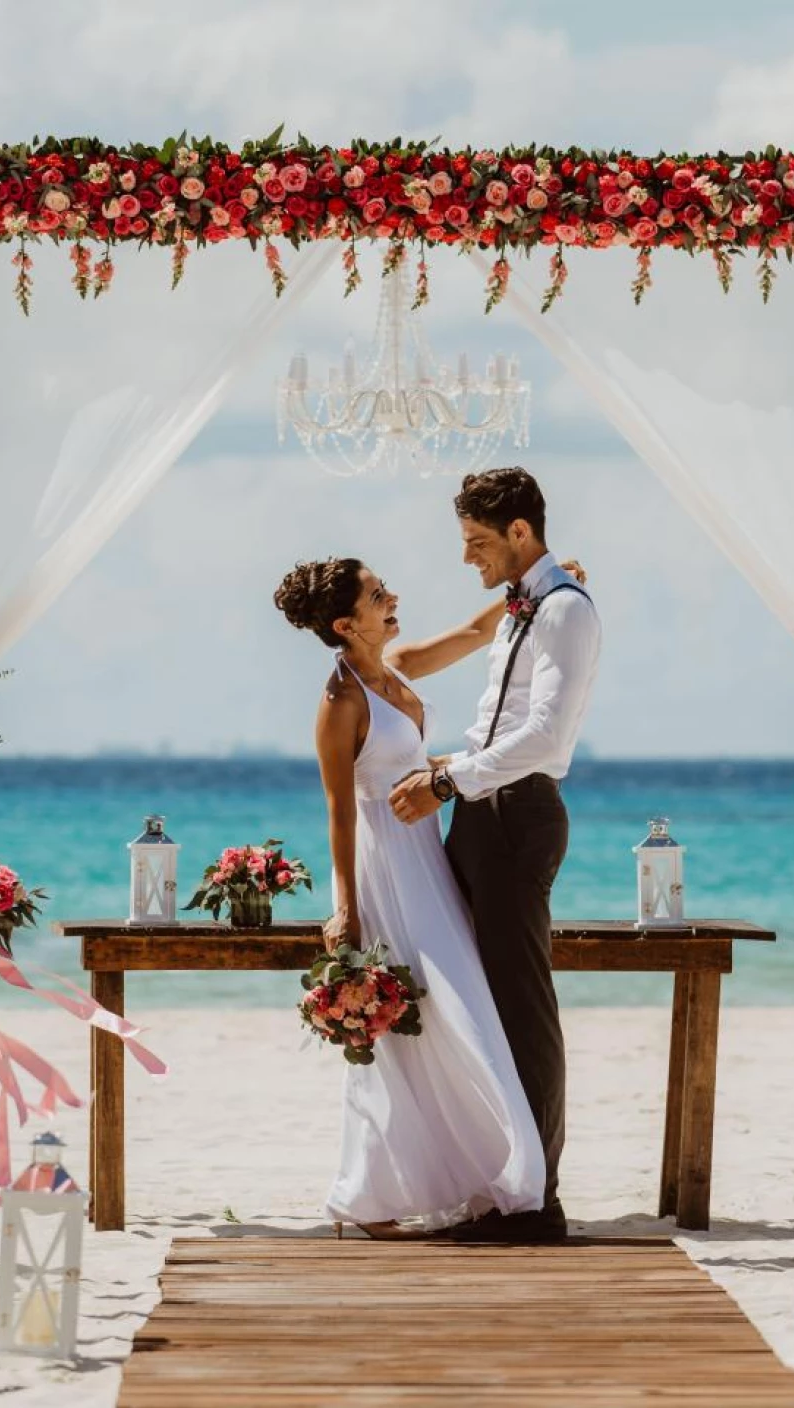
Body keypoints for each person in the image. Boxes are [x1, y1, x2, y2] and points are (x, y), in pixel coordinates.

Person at [274, 555, 547, 1237]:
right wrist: (345, 907)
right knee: (410, 1026)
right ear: (345, 623)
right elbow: (339, 811)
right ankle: (374, 1197)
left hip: (428, 856)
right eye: (376, 595)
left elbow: (473, 632)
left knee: (460, 1012)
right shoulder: (340, 702)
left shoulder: (393, 668)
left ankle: (477, 1173)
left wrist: (534, 587)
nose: (392, 596)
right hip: (385, 867)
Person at [388, 467, 602, 1243]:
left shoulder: (566, 613)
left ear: (521, 533)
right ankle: (498, 1184)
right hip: (482, 808)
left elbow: (545, 737)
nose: (469, 559)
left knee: (521, 1006)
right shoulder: (521, 608)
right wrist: (453, 772)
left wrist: (447, 781)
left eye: (479, 543)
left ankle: (539, 1206)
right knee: (475, 1003)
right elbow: (497, 722)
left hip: (518, 815)